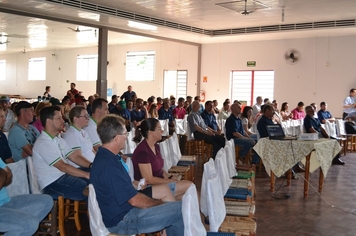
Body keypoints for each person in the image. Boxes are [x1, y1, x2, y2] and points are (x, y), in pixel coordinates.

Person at [91, 115, 184, 235]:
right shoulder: (108, 164)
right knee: (181, 209)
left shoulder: (107, 157)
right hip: (123, 220)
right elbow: (134, 201)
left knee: (175, 207)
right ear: (116, 138)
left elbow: (121, 190)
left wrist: (135, 185)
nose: (126, 137)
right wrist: (160, 204)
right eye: (125, 133)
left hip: (124, 212)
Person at [32, 106, 91, 200]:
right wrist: (86, 174)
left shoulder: (57, 139)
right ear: (49, 121)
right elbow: (62, 166)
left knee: (95, 175)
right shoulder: (43, 143)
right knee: (88, 185)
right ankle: (90, 214)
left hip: (63, 176)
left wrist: (91, 166)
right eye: (59, 118)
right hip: (52, 183)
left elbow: (74, 156)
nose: (63, 121)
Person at [132, 118, 191, 200]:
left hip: (160, 183)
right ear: (150, 132)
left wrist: (170, 177)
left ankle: (176, 210)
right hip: (150, 188)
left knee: (185, 196)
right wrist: (171, 182)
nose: (162, 131)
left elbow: (160, 169)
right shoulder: (142, 152)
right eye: (159, 129)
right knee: (189, 186)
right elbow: (149, 179)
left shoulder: (156, 146)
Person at [0, 159, 53, 235]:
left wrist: (3, 175)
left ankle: (23, 231)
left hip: (7, 201)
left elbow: (8, 176)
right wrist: (3, 175)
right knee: (30, 224)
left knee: (46, 201)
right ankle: (26, 228)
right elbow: (4, 175)